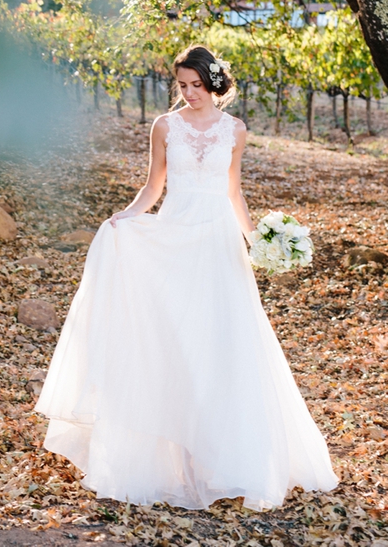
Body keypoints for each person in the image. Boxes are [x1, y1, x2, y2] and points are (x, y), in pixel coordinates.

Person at [36, 44, 337, 511]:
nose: (189, 93)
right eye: (182, 85)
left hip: (218, 247)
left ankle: (220, 459)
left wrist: (259, 239)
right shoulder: (164, 126)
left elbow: (233, 192)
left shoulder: (235, 130)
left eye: (197, 85)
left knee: (222, 344)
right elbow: (154, 186)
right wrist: (127, 216)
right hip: (174, 239)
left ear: (214, 83)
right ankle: (172, 455)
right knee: (174, 343)